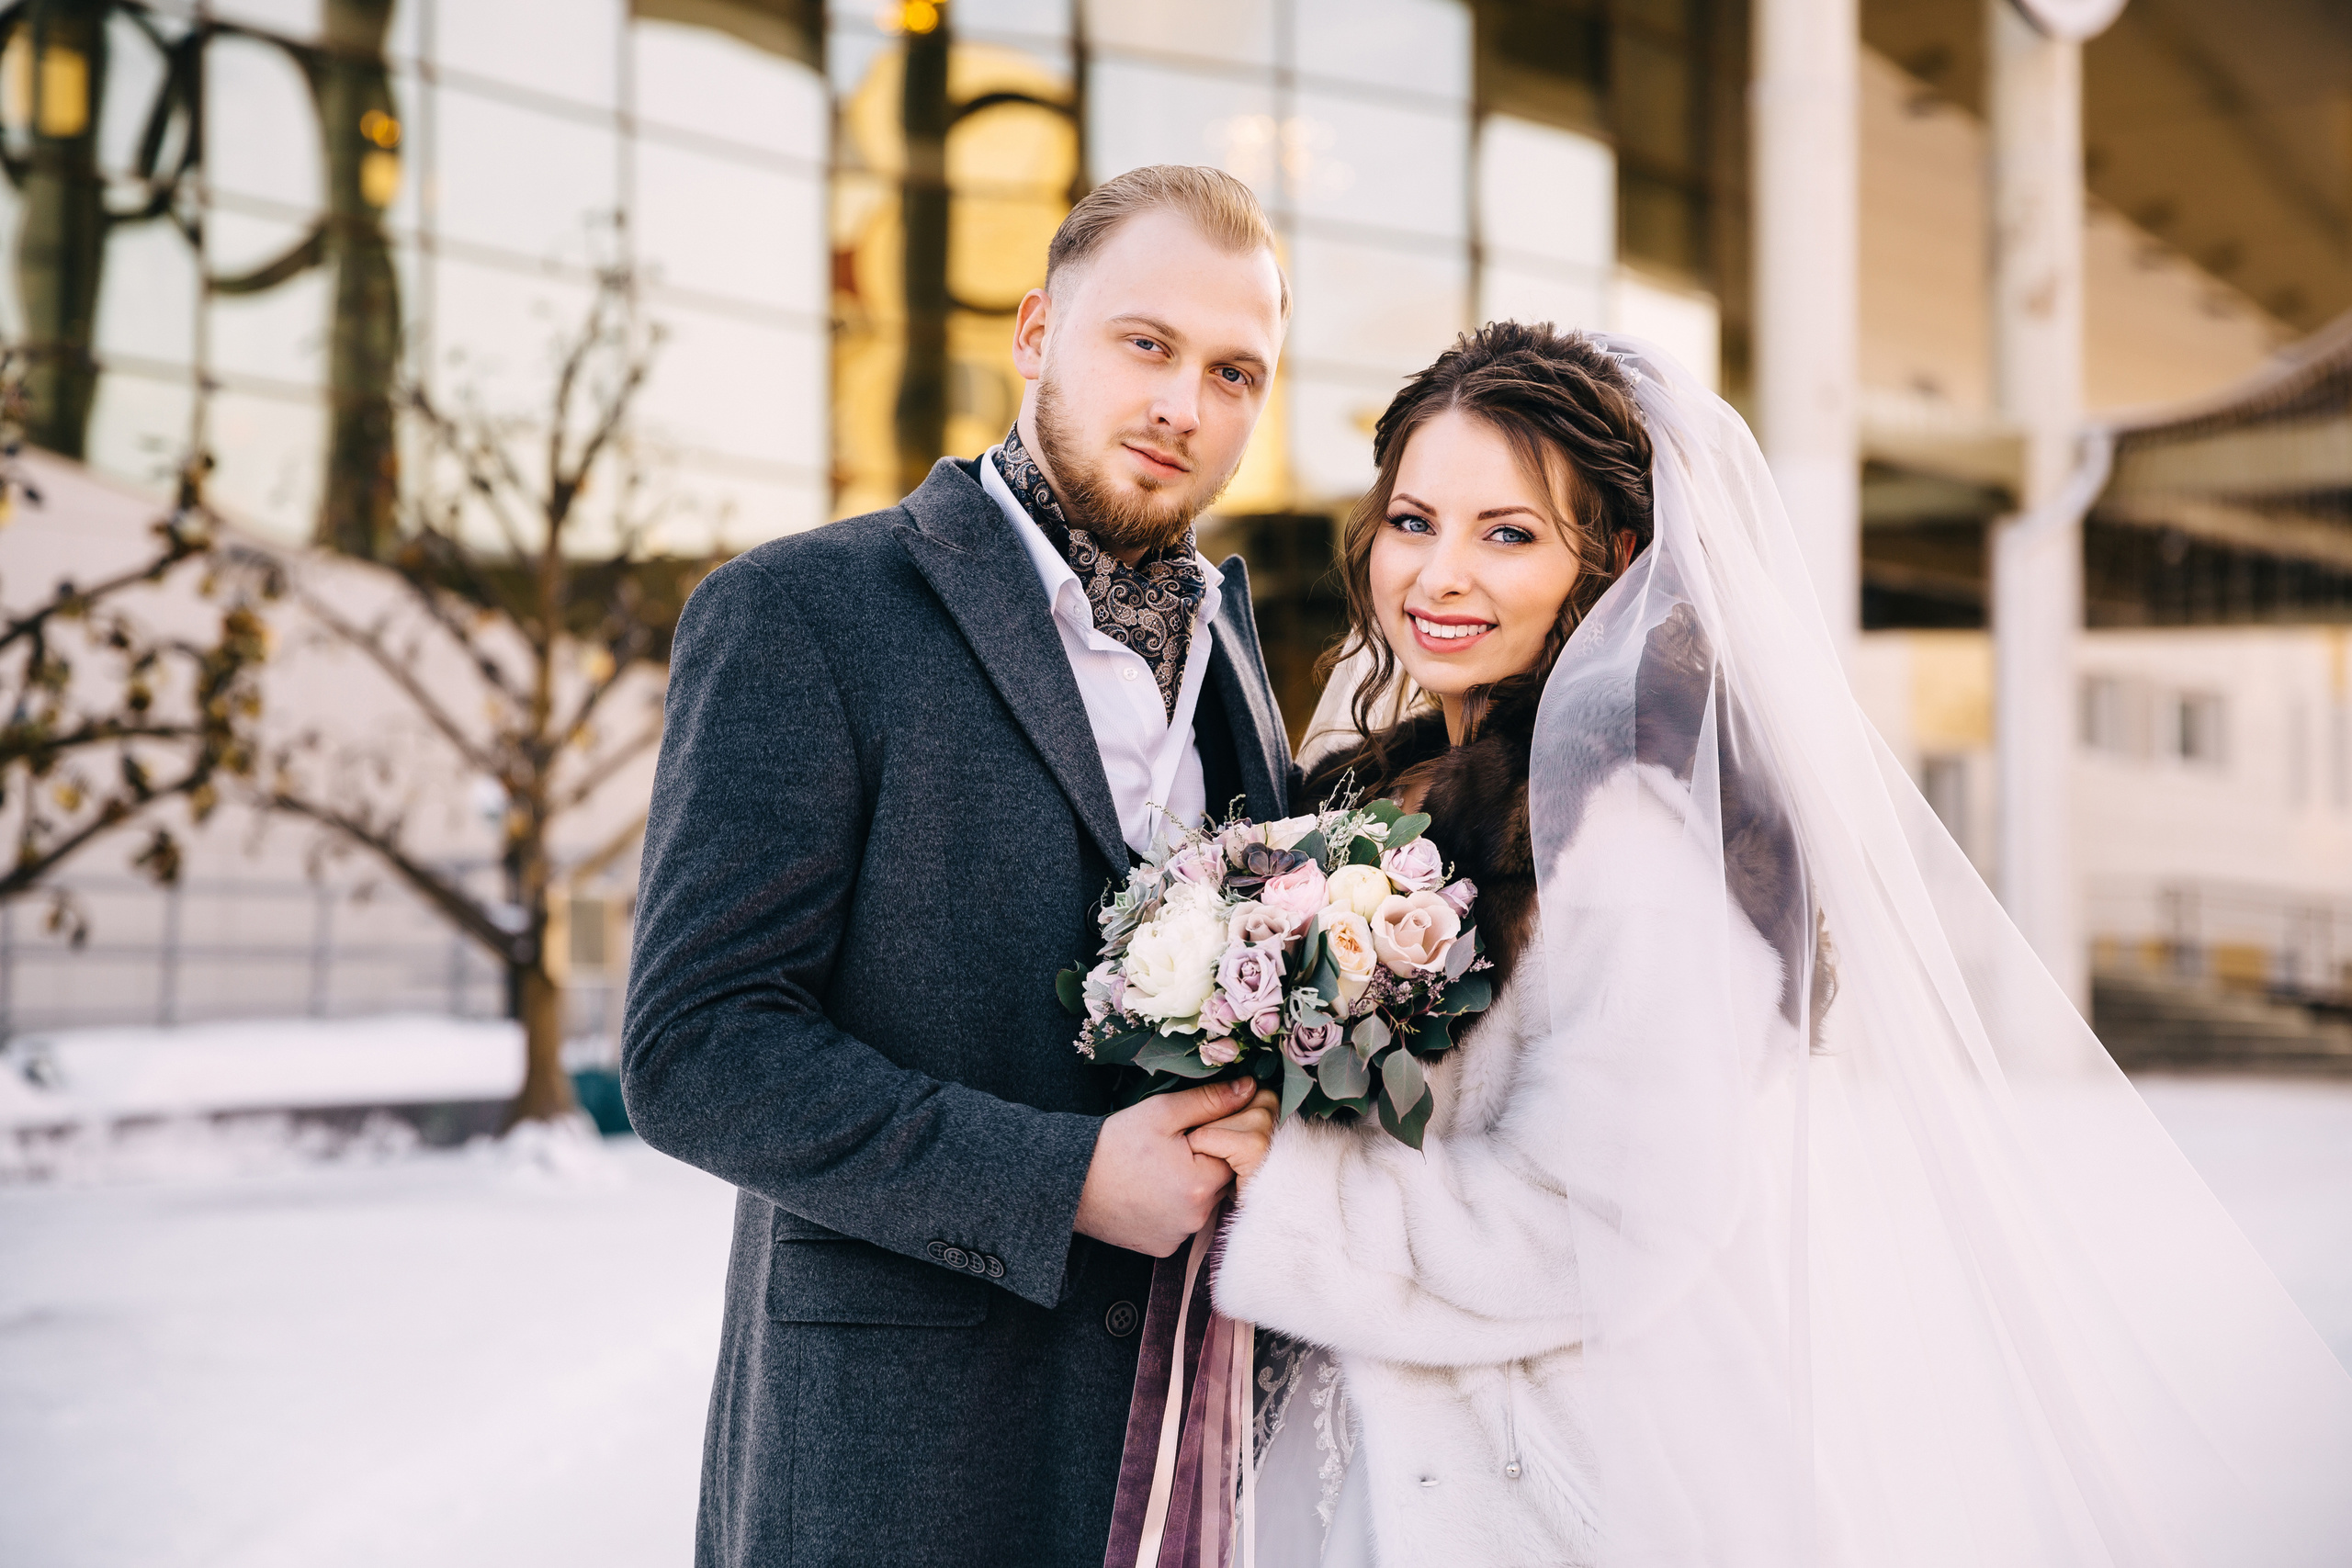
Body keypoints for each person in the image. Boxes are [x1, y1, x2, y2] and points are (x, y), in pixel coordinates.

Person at [1205, 321, 2352, 1567]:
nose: (1440, 576)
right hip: (1400, 1444)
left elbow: (1611, 1221)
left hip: (1570, 1480)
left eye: (1509, 534)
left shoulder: (1636, 828)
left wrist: (1289, 1184)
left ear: (1616, 557)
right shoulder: (1384, 789)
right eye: (1414, 521)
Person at [621, 164, 1290, 1568]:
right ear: (1037, 332)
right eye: (1147, 343)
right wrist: (1062, 1180)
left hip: (1174, 1459)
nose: (1185, 403)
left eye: (1234, 372)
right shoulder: (799, 612)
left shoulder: (1236, 653)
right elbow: (696, 1050)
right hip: (897, 1468)